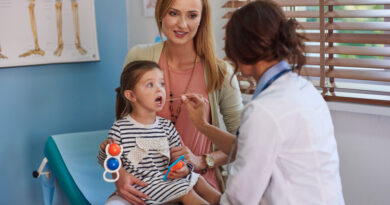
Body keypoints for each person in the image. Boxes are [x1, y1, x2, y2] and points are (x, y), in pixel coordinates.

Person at [181, 1, 345, 204]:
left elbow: (238, 201)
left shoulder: (264, 111)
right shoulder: (304, 90)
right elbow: (248, 146)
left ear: (241, 48)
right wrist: (203, 126)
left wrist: (190, 193)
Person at [106, 0, 243, 204]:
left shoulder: (220, 72)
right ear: (161, 13)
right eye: (173, 13)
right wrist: (119, 174)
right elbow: (123, 132)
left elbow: (242, 145)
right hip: (146, 187)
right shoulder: (138, 57)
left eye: (192, 15)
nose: (182, 24)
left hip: (198, 187)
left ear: (202, 19)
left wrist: (202, 160)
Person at [97, 60, 221, 205]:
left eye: (161, 84)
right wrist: (105, 149)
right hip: (144, 186)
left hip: (165, 180)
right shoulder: (120, 128)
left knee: (199, 179)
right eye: (150, 84)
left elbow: (178, 160)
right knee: (186, 191)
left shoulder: (166, 126)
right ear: (131, 95)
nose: (159, 89)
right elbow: (108, 161)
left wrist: (183, 169)